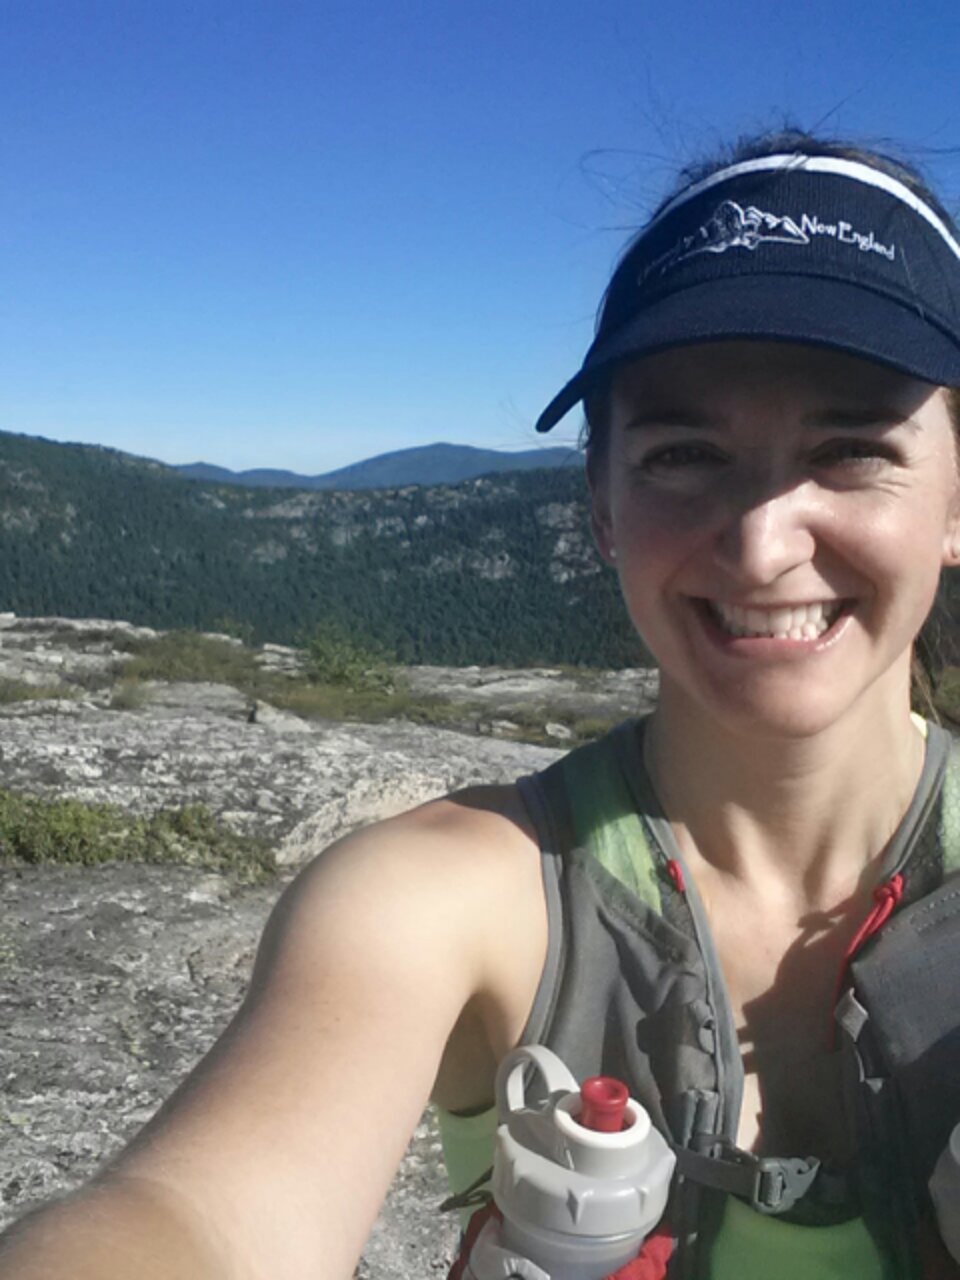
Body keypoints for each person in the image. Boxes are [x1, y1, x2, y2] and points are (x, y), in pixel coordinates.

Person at [2, 128, 960, 1280]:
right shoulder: (441, 895)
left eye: (851, 447)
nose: (763, 544)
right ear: (600, 504)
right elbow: (193, 1216)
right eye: (683, 452)